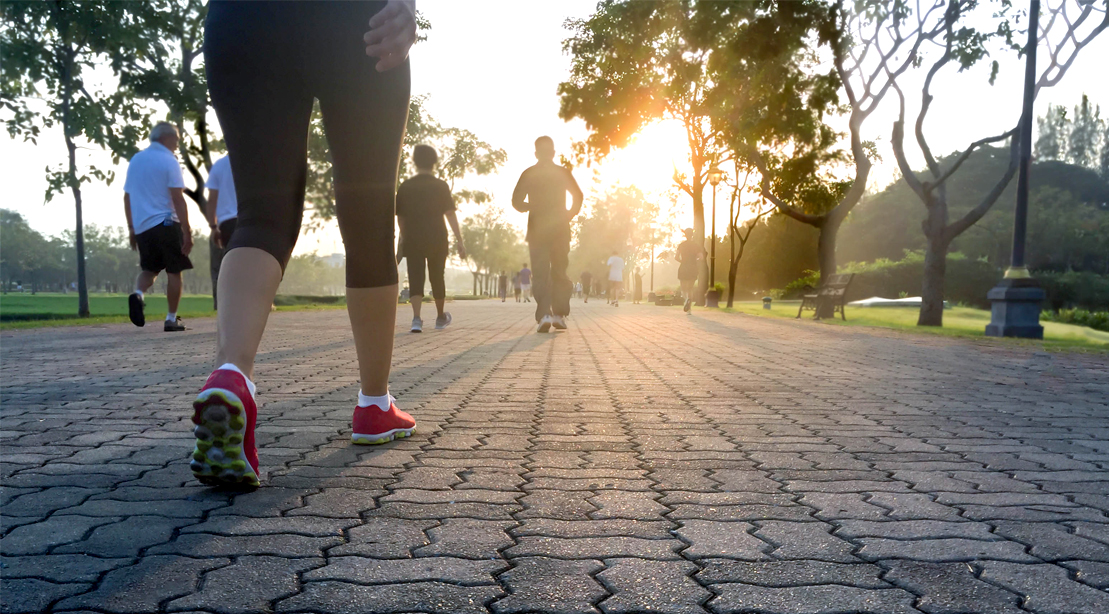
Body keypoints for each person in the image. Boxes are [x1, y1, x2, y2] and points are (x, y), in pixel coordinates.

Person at [192, 0, 419, 488]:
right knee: (369, 217)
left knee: (261, 216)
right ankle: (374, 406)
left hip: (243, 19)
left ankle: (231, 375)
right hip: (357, 20)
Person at [124, 121, 194, 332]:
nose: (177, 144)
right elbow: (178, 198)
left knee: (149, 269)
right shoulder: (169, 160)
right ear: (166, 138)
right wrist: (187, 231)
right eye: (176, 140)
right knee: (174, 270)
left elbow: (127, 197)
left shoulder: (136, 160)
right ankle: (171, 319)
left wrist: (132, 228)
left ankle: (138, 294)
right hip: (166, 221)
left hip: (143, 226)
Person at [512, 137, 584, 333]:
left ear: (536, 153)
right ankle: (559, 315)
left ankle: (544, 315)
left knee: (540, 274)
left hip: (537, 231)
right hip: (560, 229)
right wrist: (568, 214)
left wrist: (531, 207)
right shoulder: (563, 173)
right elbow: (578, 196)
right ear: (553, 153)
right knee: (559, 271)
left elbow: (516, 202)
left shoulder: (529, 173)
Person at [396, 144, 466, 333]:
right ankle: (440, 317)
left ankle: (416, 319)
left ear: (415, 161)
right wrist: (459, 240)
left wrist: (404, 236)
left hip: (413, 237)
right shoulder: (441, 186)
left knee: (415, 276)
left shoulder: (406, 186)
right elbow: (450, 214)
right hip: (437, 237)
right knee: (437, 276)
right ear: (434, 161)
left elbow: (400, 217)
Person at [676, 227, 703, 313]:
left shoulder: (682, 245)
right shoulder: (696, 245)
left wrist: (682, 261)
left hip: (684, 266)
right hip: (693, 267)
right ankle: (689, 309)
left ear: (685, 235)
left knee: (683, 288)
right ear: (692, 235)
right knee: (690, 289)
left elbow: (676, 257)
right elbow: (701, 257)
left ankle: (686, 300)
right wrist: (695, 260)